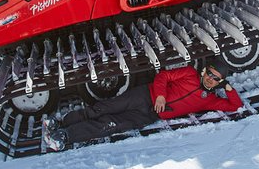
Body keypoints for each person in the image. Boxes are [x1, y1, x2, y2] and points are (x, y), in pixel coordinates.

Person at [43, 58, 243, 151]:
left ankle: (65, 136)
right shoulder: (190, 73)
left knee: (110, 125)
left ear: (219, 82)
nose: (210, 79)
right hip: (145, 96)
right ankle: (61, 122)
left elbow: (235, 105)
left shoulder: (210, 100)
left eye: (216, 79)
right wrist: (161, 96)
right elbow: (163, 76)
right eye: (210, 73)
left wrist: (228, 88)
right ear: (204, 71)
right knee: (104, 108)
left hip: (150, 115)